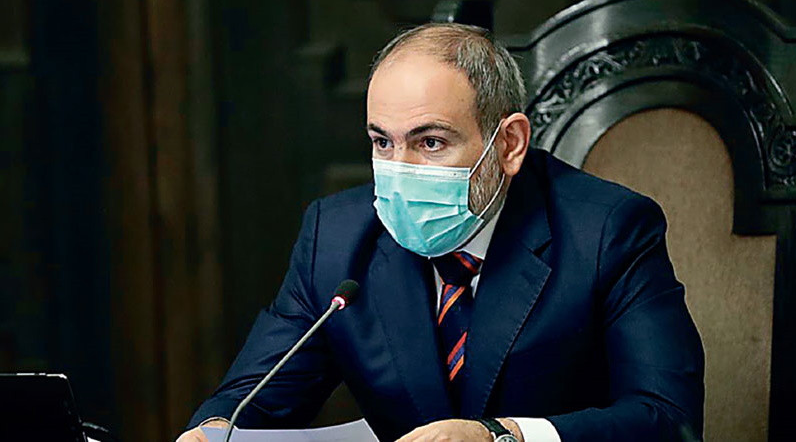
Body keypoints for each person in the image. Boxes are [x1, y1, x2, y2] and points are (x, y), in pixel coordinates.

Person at [178, 24, 704, 442]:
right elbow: (252, 402)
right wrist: (213, 431)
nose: (399, 170)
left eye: (430, 143)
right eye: (382, 143)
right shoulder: (335, 238)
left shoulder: (608, 231)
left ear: (510, 144)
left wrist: (503, 436)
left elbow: (668, 418)